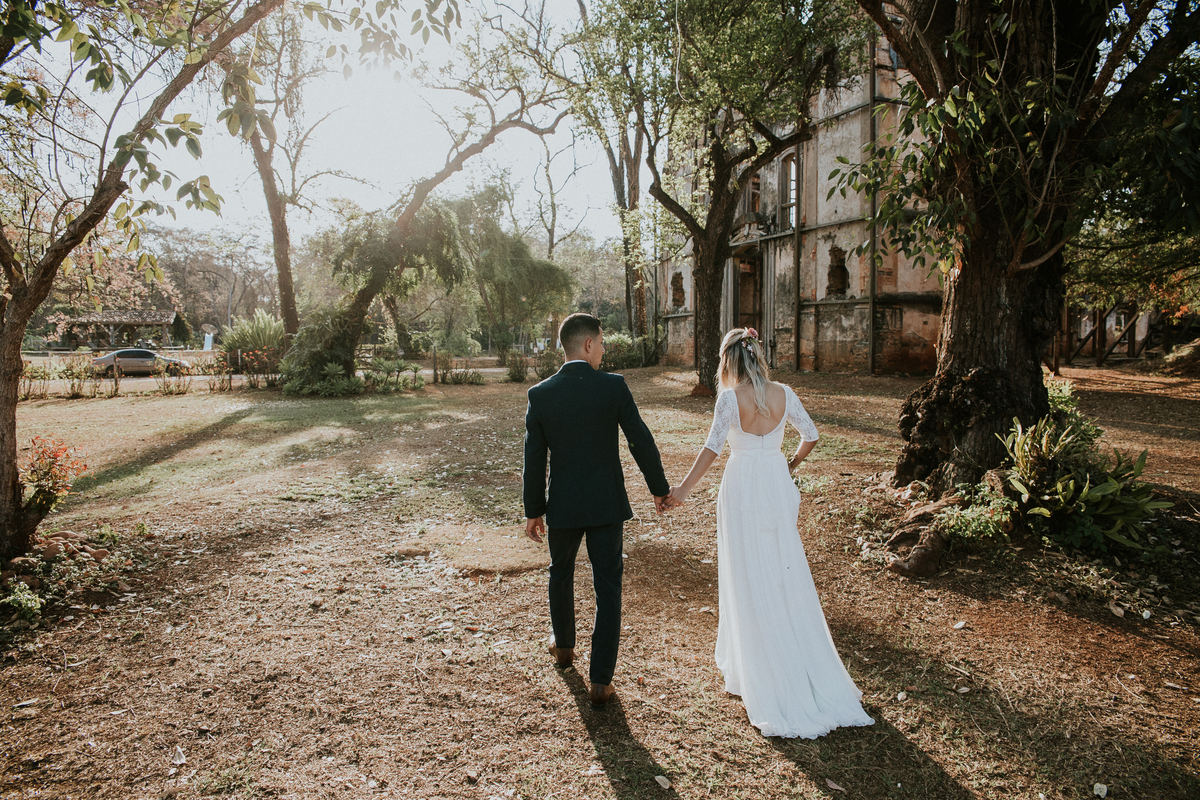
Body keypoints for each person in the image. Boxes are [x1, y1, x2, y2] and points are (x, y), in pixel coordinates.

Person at [668, 327, 874, 738]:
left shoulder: (730, 399)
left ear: (728, 361)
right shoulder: (785, 393)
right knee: (782, 566)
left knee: (747, 570)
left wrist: (682, 491)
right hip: (776, 483)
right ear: (756, 355)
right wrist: (789, 464)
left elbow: (712, 448)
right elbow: (811, 435)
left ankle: (757, 667)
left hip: (743, 484)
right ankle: (792, 653)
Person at [523, 312, 675, 707]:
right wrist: (659, 489)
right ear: (588, 344)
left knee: (560, 572)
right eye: (602, 343)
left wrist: (534, 509)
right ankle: (601, 681)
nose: (604, 351)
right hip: (606, 504)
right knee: (608, 587)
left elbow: (534, 458)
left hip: (563, 504)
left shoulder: (541, 394)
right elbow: (640, 440)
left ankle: (564, 647)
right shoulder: (612, 386)